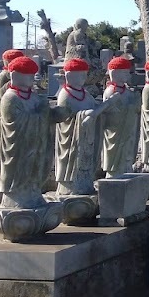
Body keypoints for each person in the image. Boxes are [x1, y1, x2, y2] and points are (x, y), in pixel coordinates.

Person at [0, 56, 55, 208]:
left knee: (35, 171)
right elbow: (19, 122)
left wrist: (59, 113)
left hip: (35, 147)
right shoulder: (10, 98)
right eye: (28, 75)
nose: (32, 78)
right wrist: (43, 113)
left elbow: (46, 116)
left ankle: (33, 193)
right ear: (15, 75)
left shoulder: (33, 97)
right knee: (20, 171)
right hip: (18, 149)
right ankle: (16, 198)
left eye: (32, 75)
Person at [53, 57, 104, 195]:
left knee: (86, 163)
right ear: (68, 76)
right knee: (74, 163)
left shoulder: (85, 94)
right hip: (72, 140)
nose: (83, 78)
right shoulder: (65, 95)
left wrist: (102, 107)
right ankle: (70, 187)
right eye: (79, 75)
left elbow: (93, 108)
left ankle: (85, 183)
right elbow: (65, 116)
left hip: (87, 137)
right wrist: (85, 114)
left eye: (84, 75)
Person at [100, 54, 140, 175]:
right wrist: (129, 107)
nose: (128, 75)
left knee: (127, 151)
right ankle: (114, 172)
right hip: (115, 130)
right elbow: (112, 112)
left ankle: (127, 168)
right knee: (115, 153)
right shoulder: (110, 92)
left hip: (128, 129)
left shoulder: (127, 92)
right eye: (125, 73)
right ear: (115, 73)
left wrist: (136, 103)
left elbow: (136, 109)